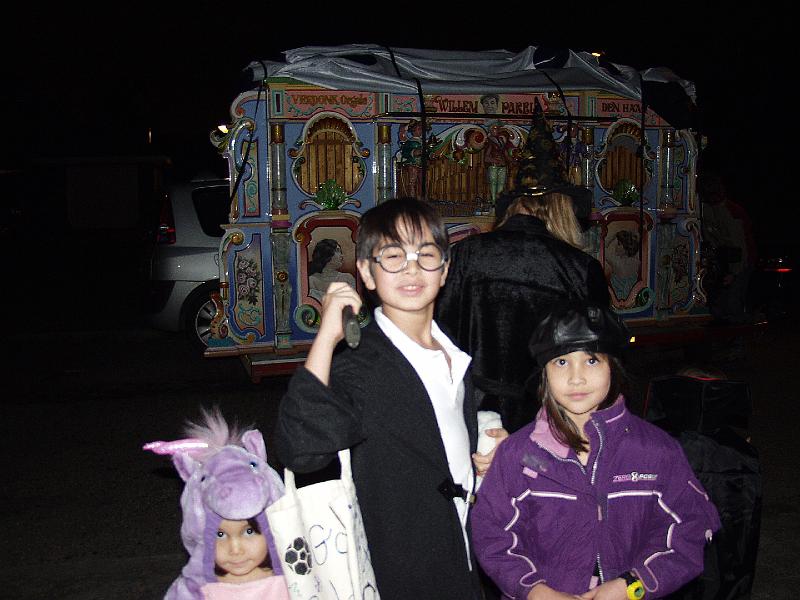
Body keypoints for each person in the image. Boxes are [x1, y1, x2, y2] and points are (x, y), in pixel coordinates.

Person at [275, 197, 482, 600]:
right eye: (392, 256)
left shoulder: (453, 354)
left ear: (444, 270)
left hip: (462, 553)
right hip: (400, 565)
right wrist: (326, 339)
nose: (410, 267)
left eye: (426, 254)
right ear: (367, 274)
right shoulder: (360, 364)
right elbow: (302, 449)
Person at [471, 304, 721, 600]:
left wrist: (632, 586)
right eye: (561, 362)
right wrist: (534, 591)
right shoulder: (518, 454)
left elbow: (691, 527)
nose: (576, 378)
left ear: (612, 367)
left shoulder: (657, 451)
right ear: (544, 374)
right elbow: (492, 534)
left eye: (591, 361)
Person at [437, 98, 608, 434]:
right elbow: (597, 355)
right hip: (548, 416)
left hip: (469, 411)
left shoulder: (464, 253)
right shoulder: (579, 267)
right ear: (560, 206)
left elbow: (439, 335)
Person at [145, 409, 289, 600]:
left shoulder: (294, 579)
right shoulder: (198, 589)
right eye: (220, 534)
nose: (235, 549)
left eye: (249, 531)